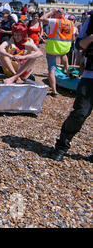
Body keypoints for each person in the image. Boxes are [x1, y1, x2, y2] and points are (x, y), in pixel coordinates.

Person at [49, 14, 92, 162]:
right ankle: (61, 146)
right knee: (80, 113)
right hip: (90, 76)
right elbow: (79, 44)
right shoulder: (91, 19)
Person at [40, 8, 75, 97]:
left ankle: (54, 91)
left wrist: (50, 11)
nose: (53, 15)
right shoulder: (71, 23)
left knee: (51, 69)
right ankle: (67, 70)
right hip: (65, 48)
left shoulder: (56, 21)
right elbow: (73, 37)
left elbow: (42, 19)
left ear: (58, 14)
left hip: (53, 48)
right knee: (63, 55)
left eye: (54, 14)